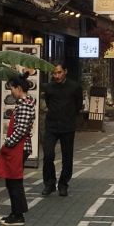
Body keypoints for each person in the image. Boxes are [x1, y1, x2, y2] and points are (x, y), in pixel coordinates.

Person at [0, 73, 36, 226]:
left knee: (14, 181)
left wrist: (8, 143)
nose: (11, 92)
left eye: (12, 88)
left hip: (19, 148)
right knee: (12, 181)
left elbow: (21, 129)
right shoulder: (24, 103)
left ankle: (18, 215)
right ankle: (15, 213)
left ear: (18, 88)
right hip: (18, 147)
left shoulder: (25, 105)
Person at [40, 62, 84, 196]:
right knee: (48, 155)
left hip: (67, 126)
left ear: (65, 71)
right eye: (54, 73)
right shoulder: (49, 87)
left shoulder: (75, 87)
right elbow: (48, 103)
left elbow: (78, 104)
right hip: (51, 126)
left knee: (67, 158)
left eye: (59, 72)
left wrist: (70, 115)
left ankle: (63, 184)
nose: (57, 76)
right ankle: (49, 183)